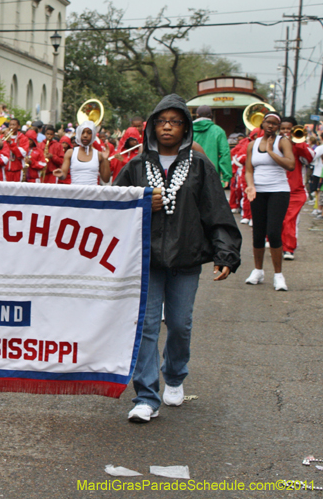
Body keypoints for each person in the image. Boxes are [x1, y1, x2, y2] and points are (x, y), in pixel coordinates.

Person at [115, 93, 241, 423]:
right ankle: (146, 395)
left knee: (181, 324)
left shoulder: (199, 166)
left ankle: (174, 376)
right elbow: (113, 208)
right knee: (147, 326)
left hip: (186, 259)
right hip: (147, 261)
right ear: (152, 126)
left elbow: (217, 211)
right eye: (162, 121)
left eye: (175, 122)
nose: (168, 127)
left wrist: (225, 251)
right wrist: (142, 203)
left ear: (186, 127)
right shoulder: (136, 166)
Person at [244, 112, 295, 291]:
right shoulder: (252, 144)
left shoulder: (283, 142)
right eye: (268, 123)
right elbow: (249, 170)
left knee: (273, 232)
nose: (270, 126)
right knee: (258, 233)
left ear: (278, 127)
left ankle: (278, 275)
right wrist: (250, 185)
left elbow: (291, 164)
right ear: (262, 124)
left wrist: (272, 152)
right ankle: (258, 271)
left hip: (278, 191)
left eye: (274, 124)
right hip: (258, 191)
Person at [278, 117, 313, 260]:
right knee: (278, 220)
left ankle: (289, 248)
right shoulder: (273, 143)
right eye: (283, 129)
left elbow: (310, 157)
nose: (286, 131)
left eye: (289, 129)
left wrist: (298, 143)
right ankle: (278, 244)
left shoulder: (298, 144)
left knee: (289, 220)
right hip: (276, 187)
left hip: (295, 190)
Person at [55, 120, 111, 185]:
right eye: (82, 132)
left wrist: (106, 159)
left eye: (89, 133)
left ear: (93, 135)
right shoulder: (71, 152)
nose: (85, 135)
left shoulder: (99, 155)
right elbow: (63, 175)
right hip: (75, 193)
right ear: (79, 134)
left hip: (93, 194)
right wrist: (60, 174)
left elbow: (106, 180)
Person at [192, 105, 232, 187]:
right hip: (211, 174)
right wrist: (226, 176)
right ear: (211, 116)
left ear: (197, 115)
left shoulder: (187, 130)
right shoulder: (218, 131)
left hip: (190, 173)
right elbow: (225, 154)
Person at [3, 118, 28, 182]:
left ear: (18, 126)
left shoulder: (23, 138)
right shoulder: (3, 137)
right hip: (4, 169)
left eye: (14, 125)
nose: (11, 127)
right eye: (10, 125)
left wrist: (11, 143)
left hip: (17, 171)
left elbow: (21, 154)